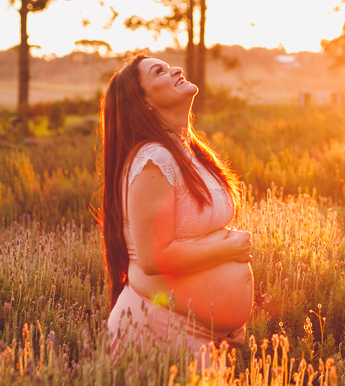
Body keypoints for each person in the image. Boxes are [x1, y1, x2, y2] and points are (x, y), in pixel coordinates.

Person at [99, 53, 253, 351]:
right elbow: (154, 258)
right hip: (158, 328)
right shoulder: (153, 159)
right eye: (160, 72)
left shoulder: (189, 150)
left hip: (197, 330)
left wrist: (226, 320)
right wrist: (231, 249)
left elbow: (198, 236)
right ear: (143, 101)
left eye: (169, 67)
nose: (177, 70)